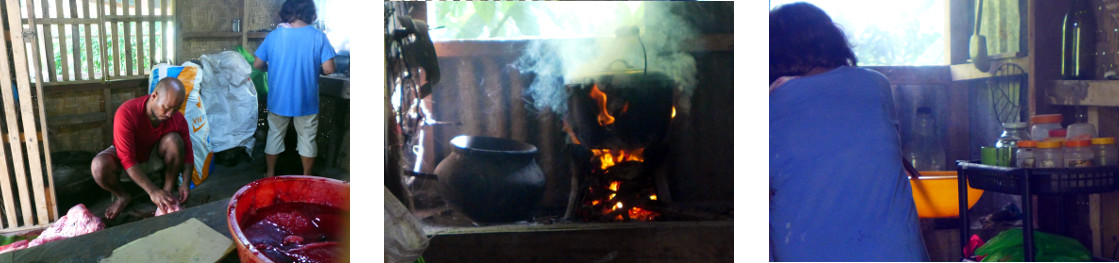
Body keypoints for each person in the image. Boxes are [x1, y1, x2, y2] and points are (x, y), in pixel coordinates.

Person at [769, 2, 930, 261]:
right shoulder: (876, 85)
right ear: (832, 41)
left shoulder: (771, 104)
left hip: (808, 252)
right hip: (897, 253)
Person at [90, 78, 193, 220]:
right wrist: (152, 191)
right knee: (98, 166)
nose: (169, 114)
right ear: (154, 96)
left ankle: (167, 193)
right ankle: (123, 196)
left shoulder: (177, 119)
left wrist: (186, 183)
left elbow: (188, 153)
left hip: (152, 154)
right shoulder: (127, 112)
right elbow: (127, 158)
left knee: (175, 141)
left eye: (175, 110)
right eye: (166, 107)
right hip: (126, 158)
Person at [254, 0, 336, 177]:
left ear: (286, 11)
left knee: (274, 134)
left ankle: (270, 173)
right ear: (310, 12)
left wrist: (270, 67)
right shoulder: (318, 36)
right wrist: (314, 66)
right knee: (307, 138)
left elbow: (258, 63)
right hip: (306, 100)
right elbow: (329, 69)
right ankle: (307, 176)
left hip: (278, 99)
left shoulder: (274, 36)